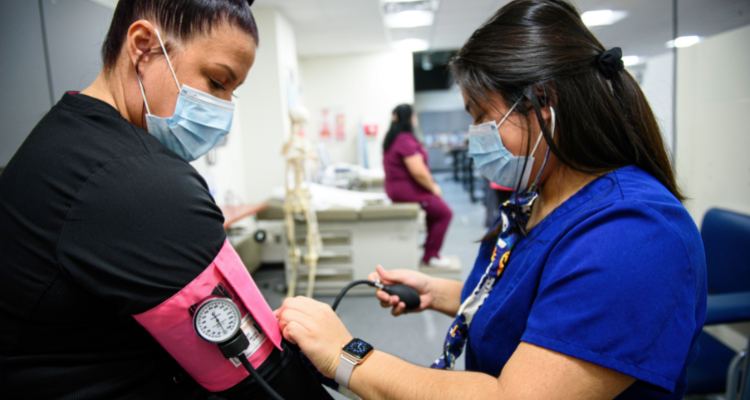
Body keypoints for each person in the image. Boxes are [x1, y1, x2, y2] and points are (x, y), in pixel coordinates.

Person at [275, 0, 707, 399]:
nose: (475, 133)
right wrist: (442, 293)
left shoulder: (632, 236)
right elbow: (532, 296)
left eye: (482, 115)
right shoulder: (540, 200)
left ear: (544, 102)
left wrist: (344, 355)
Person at [0, 1, 332, 399]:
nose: (223, 112)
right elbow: (268, 383)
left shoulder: (63, 135)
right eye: (215, 82)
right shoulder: (136, 181)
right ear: (144, 47)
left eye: (232, 93)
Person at [382, 104, 453, 268]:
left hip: (397, 189)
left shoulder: (394, 138)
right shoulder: (404, 139)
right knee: (444, 213)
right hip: (408, 191)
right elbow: (418, 172)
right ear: (409, 118)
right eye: (414, 116)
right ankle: (431, 255)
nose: (415, 120)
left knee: (434, 213)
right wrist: (433, 187)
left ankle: (428, 250)